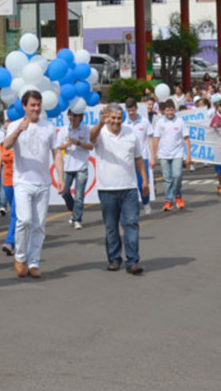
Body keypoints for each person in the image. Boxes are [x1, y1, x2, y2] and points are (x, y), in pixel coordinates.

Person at [2, 90, 64, 279]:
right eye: (32, 105)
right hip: (22, 181)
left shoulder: (49, 127)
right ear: (24, 106)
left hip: (43, 182)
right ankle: (20, 258)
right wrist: (20, 129)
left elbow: (56, 153)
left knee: (39, 226)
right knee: (25, 220)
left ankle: (34, 262)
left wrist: (60, 177)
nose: (36, 108)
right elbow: (6, 145)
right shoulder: (14, 125)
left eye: (38, 105)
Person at [89, 103, 147, 274]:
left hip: (129, 187)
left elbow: (138, 158)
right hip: (107, 188)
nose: (115, 122)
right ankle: (114, 259)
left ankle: (133, 261)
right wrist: (100, 123)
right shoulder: (101, 133)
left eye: (118, 119)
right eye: (112, 118)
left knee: (131, 224)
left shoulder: (131, 133)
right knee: (111, 226)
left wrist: (144, 180)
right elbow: (91, 138)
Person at [151, 99, 191, 210]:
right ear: (164, 111)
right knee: (167, 179)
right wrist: (153, 156)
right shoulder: (160, 122)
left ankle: (178, 196)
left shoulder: (180, 121)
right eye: (167, 110)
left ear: (175, 110)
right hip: (163, 155)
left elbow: (186, 139)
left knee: (177, 176)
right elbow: (156, 139)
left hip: (177, 154)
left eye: (172, 110)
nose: (169, 112)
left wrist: (188, 155)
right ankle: (168, 200)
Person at [59, 110, 93, 230]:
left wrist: (78, 143)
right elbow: (58, 147)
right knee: (64, 191)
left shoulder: (86, 129)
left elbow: (91, 146)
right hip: (67, 166)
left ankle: (77, 219)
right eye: (70, 115)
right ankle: (74, 211)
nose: (72, 118)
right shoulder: (63, 130)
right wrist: (67, 144)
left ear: (80, 117)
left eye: (75, 115)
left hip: (81, 166)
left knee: (79, 195)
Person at [124, 98, 153, 214]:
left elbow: (150, 138)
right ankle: (134, 208)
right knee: (132, 185)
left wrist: (152, 156)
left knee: (143, 184)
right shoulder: (124, 124)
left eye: (132, 110)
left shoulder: (145, 122)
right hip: (129, 159)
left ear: (136, 108)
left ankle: (146, 202)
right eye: (128, 110)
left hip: (143, 157)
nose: (131, 112)